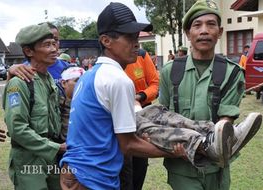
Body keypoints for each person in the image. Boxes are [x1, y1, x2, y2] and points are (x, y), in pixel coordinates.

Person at [59, 2, 184, 190]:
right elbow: (128, 145)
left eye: (136, 37)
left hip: (75, 171)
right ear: (106, 41)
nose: (136, 43)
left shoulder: (90, 75)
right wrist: (174, 152)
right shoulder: (118, 80)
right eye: (128, 37)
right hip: (94, 179)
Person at [158, 0, 260, 189]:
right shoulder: (170, 71)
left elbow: (225, 120)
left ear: (220, 32)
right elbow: (162, 116)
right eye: (197, 25)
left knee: (221, 133)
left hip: (217, 168)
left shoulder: (232, 72)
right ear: (188, 33)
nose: (204, 30)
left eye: (211, 24)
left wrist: (217, 139)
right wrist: (176, 142)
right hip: (181, 168)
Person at [2, 23, 66, 190]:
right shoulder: (20, 82)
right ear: (29, 51)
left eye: (54, 43)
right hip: (29, 160)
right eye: (46, 45)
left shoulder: (49, 79)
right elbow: (17, 128)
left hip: (51, 157)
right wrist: (55, 148)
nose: (54, 49)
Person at [122, 49, 159, 190]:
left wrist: (139, 97)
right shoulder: (109, 64)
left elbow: (155, 85)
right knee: (124, 169)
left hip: (141, 115)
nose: (135, 42)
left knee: (140, 164)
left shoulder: (141, 55)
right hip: (120, 118)